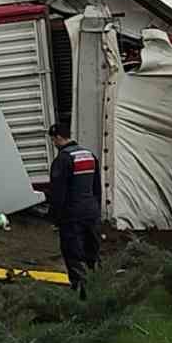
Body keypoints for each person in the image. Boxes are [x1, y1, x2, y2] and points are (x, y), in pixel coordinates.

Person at [47, 122, 101, 297]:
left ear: (58, 138)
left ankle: (81, 292)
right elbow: (97, 187)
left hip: (72, 213)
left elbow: (58, 192)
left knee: (73, 251)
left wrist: (55, 217)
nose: (53, 144)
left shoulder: (63, 159)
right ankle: (100, 285)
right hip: (91, 211)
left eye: (53, 140)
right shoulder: (89, 155)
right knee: (91, 249)